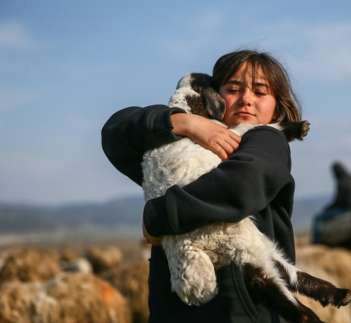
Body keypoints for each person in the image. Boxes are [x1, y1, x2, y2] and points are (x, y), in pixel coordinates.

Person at [101, 49, 302, 323]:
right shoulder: (182, 150)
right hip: (173, 311)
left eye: (260, 92)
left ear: (277, 106)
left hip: (240, 312)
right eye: (233, 89)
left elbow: (239, 186)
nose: (246, 100)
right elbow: (115, 133)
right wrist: (182, 121)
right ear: (214, 96)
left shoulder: (266, 141)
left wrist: (158, 217)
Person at [312, 161, 351, 244]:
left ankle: (316, 243)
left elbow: (338, 201)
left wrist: (326, 208)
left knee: (318, 218)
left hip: (347, 210)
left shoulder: (342, 182)